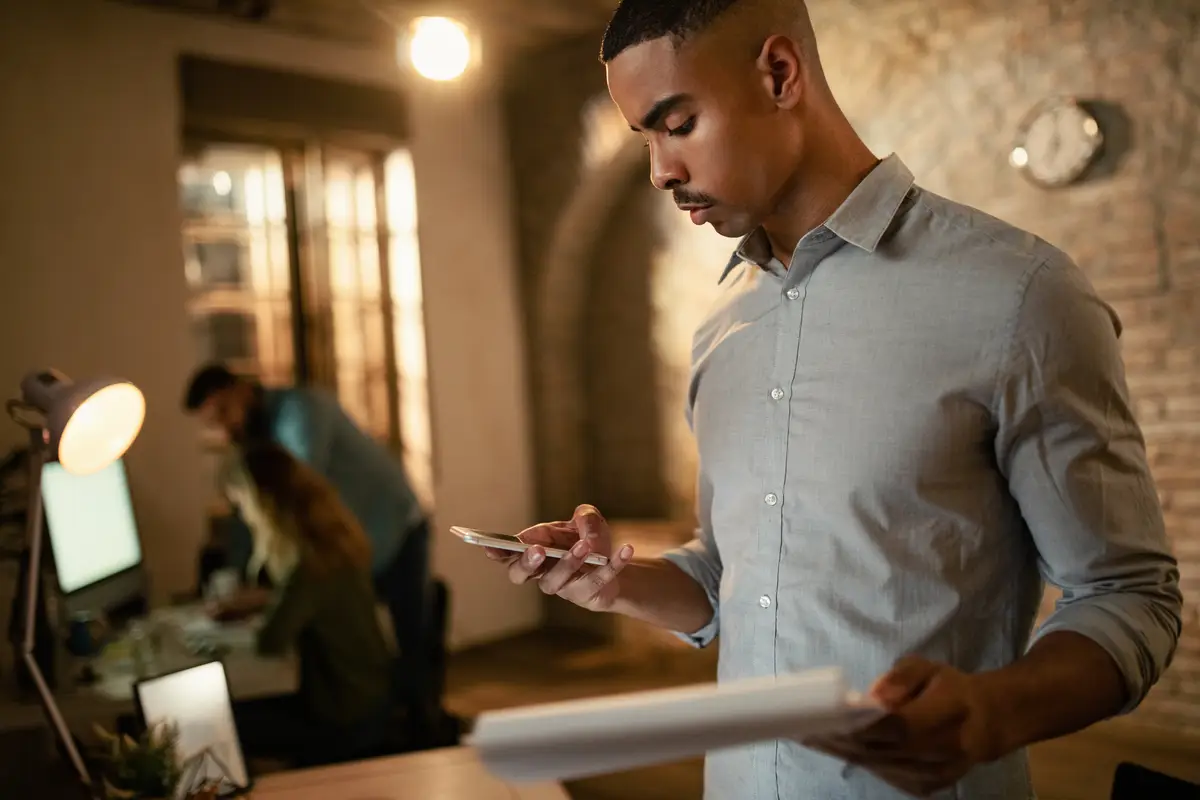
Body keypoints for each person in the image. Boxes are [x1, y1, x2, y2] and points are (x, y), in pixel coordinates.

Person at [486, 1, 1184, 798]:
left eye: (675, 124)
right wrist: (614, 581)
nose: (659, 172)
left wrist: (995, 711)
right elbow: (729, 578)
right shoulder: (722, 336)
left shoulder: (1020, 297)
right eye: (644, 139)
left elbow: (1129, 596)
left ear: (780, 75)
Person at [182, 364, 442, 738]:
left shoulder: (301, 412)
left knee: (408, 646)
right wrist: (240, 576)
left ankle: (423, 742)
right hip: (349, 546)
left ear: (240, 390)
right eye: (213, 423)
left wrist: (279, 588)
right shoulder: (257, 438)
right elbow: (254, 513)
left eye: (224, 412)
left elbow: (290, 489)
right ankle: (397, 727)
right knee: (357, 642)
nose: (225, 429)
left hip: (394, 528)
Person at [215, 442, 393, 767]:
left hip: (344, 718)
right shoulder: (335, 542)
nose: (241, 514)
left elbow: (270, 641)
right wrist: (271, 599)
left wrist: (269, 605)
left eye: (241, 503)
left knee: (222, 721)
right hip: (372, 701)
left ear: (262, 504)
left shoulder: (308, 568)